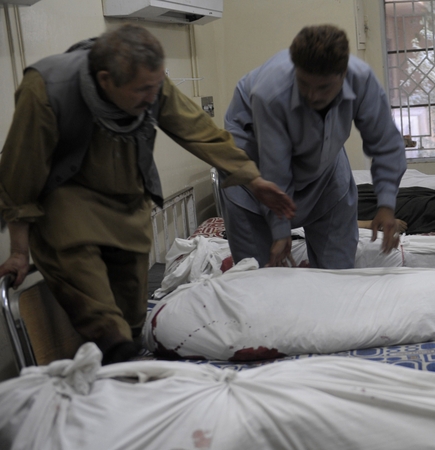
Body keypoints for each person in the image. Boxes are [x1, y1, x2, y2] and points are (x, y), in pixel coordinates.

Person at [0, 24, 295, 365]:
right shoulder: (47, 89)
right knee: (96, 302)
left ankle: (124, 349)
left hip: (128, 196)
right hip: (67, 198)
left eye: (156, 87)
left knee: (131, 310)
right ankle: (119, 357)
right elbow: (19, 176)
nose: (152, 98)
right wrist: (20, 251)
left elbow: (198, 131)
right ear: (106, 79)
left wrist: (253, 179)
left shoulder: (151, 83)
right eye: (142, 90)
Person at [222, 25, 406, 270]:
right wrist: (280, 230)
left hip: (325, 171)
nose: (313, 96)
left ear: (343, 74)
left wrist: (386, 204)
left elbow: (385, 144)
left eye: (324, 87)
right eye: (304, 84)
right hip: (257, 178)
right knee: (259, 277)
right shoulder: (270, 93)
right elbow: (276, 167)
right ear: (296, 69)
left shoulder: (362, 79)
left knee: (337, 273)